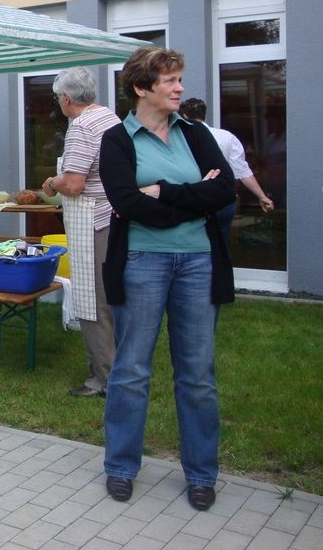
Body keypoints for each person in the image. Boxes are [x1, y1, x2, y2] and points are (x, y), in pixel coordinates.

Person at [99, 47, 235, 512]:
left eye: (179, 79)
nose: (180, 88)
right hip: (141, 263)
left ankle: (201, 475)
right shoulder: (117, 140)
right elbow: (126, 201)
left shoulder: (195, 134)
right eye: (171, 81)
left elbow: (225, 189)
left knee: (197, 374)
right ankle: (120, 466)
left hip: (199, 263)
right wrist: (192, 199)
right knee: (131, 369)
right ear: (142, 88)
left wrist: (165, 193)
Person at [41, 68, 119, 399]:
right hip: (115, 216)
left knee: (92, 299)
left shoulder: (81, 127)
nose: (59, 103)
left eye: (58, 97)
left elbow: (74, 183)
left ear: (67, 99)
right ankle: (120, 368)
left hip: (94, 221)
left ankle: (104, 378)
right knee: (113, 300)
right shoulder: (110, 118)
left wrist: (51, 182)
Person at [179, 97, 274, 241]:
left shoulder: (180, 139)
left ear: (184, 116)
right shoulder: (226, 137)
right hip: (224, 200)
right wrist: (262, 196)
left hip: (196, 199)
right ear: (203, 115)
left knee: (197, 247)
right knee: (221, 248)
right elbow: (242, 171)